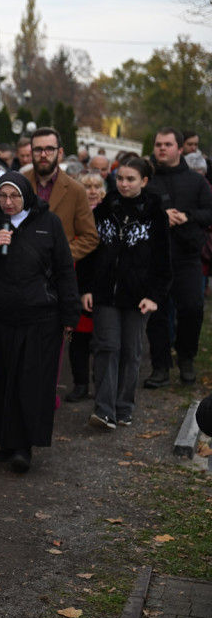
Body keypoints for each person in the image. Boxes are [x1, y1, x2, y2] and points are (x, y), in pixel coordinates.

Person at [0, 173, 80, 473]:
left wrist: (70, 313)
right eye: (3, 196)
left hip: (38, 317)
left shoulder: (49, 224)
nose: (8, 203)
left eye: (15, 197)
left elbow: (64, 269)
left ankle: (23, 446)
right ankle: (4, 441)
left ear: (26, 196)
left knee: (30, 384)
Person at [80, 157, 171, 430]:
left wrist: (154, 295)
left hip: (139, 296)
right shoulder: (104, 210)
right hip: (105, 293)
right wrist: (85, 288)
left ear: (144, 181)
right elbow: (88, 253)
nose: (123, 184)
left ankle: (123, 407)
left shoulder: (155, 213)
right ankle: (104, 409)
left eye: (130, 179)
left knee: (131, 352)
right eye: (120, 178)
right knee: (106, 348)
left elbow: (164, 260)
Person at [144, 127, 212, 387]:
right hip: (154, 258)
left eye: (167, 144)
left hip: (187, 258)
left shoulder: (196, 181)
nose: (162, 148)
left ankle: (186, 358)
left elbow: (209, 212)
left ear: (179, 148)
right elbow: (136, 210)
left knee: (192, 309)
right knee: (157, 314)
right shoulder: (146, 179)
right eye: (158, 144)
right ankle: (160, 366)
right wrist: (161, 215)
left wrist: (187, 216)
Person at [23, 127, 99, 264]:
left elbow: (90, 237)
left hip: (56, 276)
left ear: (60, 152)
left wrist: (60, 255)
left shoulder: (76, 190)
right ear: (31, 152)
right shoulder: (19, 183)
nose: (44, 155)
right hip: (21, 270)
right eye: (38, 149)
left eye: (49, 149)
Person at [65, 172, 106, 403]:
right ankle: (80, 384)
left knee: (101, 339)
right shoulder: (71, 215)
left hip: (100, 286)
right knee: (78, 339)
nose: (91, 190)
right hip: (74, 282)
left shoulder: (109, 216)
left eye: (96, 186)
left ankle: (100, 382)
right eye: (86, 185)